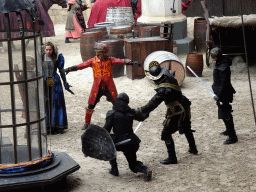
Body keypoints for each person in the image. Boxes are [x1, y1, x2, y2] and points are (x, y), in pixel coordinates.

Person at [64, 42, 140, 130]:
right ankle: (87, 122)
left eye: (102, 52)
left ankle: (122, 121)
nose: (100, 54)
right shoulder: (93, 61)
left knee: (117, 104)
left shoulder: (110, 60)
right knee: (91, 105)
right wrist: (70, 69)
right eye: (99, 52)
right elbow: (82, 65)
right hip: (97, 88)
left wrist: (131, 62)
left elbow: (120, 61)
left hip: (109, 87)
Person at [135, 61, 198, 164]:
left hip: (176, 110)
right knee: (186, 127)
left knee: (166, 133)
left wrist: (140, 110)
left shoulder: (163, 88)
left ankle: (172, 158)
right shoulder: (169, 77)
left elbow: (153, 103)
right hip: (185, 105)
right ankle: (193, 148)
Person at [103, 92, 152, 182]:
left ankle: (114, 169)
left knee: (109, 145)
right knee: (133, 166)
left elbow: (105, 131)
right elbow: (142, 117)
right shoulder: (132, 113)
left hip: (117, 143)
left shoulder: (112, 113)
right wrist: (148, 110)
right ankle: (146, 170)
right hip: (130, 142)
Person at [210, 47, 238, 144]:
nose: (212, 58)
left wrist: (219, 95)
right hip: (220, 93)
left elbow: (224, 83)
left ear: (218, 56)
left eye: (214, 56)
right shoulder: (220, 63)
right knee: (224, 112)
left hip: (224, 94)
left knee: (226, 114)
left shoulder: (224, 67)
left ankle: (232, 136)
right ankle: (228, 130)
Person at [43, 42, 71, 134]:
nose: (48, 51)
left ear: (53, 49)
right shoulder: (41, 57)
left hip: (55, 82)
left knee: (56, 102)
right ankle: (47, 125)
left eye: (50, 49)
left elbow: (62, 71)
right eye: (46, 49)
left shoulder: (58, 57)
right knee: (46, 102)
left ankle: (56, 125)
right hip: (44, 82)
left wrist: (65, 83)